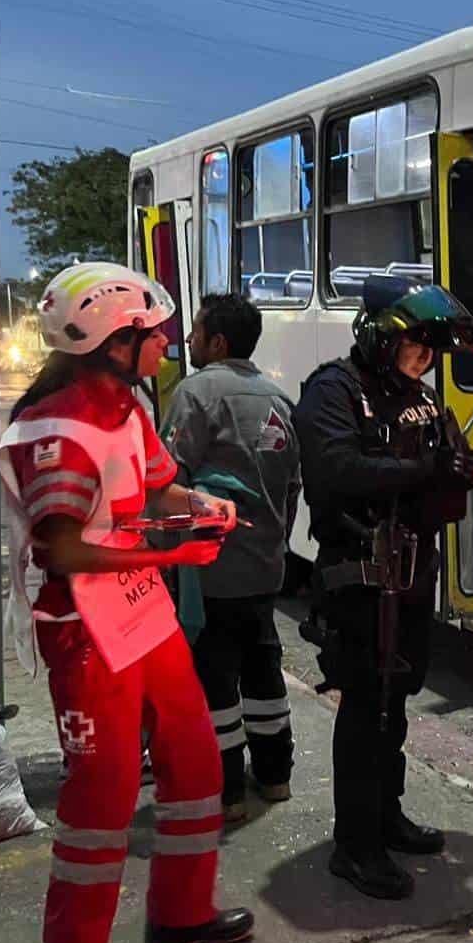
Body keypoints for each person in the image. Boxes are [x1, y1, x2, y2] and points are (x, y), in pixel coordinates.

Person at [0, 262, 253, 943]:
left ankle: (180, 915)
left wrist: (197, 501)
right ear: (115, 340)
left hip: (138, 609)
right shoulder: (57, 428)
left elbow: (153, 481)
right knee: (104, 787)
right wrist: (168, 549)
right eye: (155, 334)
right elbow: (60, 544)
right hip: (81, 625)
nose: (168, 345)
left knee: (196, 760)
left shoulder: (127, 406)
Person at [293, 277, 473, 900]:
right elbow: (337, 470)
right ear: (380, 337)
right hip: (359, 575)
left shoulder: (424, 399)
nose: (425, 359)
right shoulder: (334, 390)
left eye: (432, 349)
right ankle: (354, 845)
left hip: (412, 573)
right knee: (364, 704)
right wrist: (425, 470)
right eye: (416, 345)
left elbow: (449, 463)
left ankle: (387, 816)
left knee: (397, 701)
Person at [162, 293, 302, 823]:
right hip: (265, 566)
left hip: (210, 568)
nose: (190, 340)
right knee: (265, 670)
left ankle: (226, 791)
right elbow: (293, 488)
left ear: (217, 342)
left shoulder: (196, 393)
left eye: (196, 332)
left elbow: (167, 479)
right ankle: (275, 777)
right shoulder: (278, 398)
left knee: (214, 677)